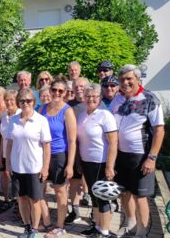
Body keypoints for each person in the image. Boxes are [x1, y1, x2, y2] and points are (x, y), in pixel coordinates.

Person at [110, 64, 165, 237]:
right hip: (120, 155)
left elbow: (159, 130)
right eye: (122, 79)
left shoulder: (149, 98)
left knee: (140, 196)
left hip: (141, 156)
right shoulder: (117, 99)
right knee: (124, 192)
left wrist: (152, 158)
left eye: (129, 79)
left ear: (138, 79)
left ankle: (142, 232)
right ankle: (131, 222)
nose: (125, 82)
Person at [5, 88, 51, 238]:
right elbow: (9, 143)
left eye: (29, 100)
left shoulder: (41, 120)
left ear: (34, 102)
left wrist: (45, 168)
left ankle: (35, 230)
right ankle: (27, 227)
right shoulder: (13, 120)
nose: (25, 103)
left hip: (34, 168)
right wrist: (7, 164)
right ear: (19, 102)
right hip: (17, 167)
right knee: (21, 198)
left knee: (35, 200)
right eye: (22, 101)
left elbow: (46, 146)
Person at [77, 83, 118, 237]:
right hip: (87, 162)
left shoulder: (105, 115)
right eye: (88, 96)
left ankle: (105, 231)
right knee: (94, 196)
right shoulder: (82, 116)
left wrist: (109, 167)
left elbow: (114, 142)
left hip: (101, 162)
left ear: (100, 98)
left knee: (103, 197)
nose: (91, 99)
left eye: (94, 96)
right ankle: (97, 226)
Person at [40, 80, 76, 238]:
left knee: (60, 191)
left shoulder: (67, 111)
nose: (56, 93)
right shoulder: (42, 108)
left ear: (65, 93)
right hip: (41, 154)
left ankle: (60, 226)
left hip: (59, 155)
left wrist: (70, 164)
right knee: (39, 189)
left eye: (61, 91)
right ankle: (47, 222)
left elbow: (72, 140)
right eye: (54, 89)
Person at [65, 76, 91, 223]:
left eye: (82, 86)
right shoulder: (68, 106)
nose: (79, 89)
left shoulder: (97, 104)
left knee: (92, 181)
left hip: (92, 151)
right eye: (76, 86)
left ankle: (96, 213)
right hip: (74, 150)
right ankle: (75, 212)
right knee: (74, 181)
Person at [0, 90, 21, 208]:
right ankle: (13, 203)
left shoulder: (20, 115)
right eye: (6, 100)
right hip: (6, 153)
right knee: (11, 178)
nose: (9, 102)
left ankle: (19, 206)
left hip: (17, 153)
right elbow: (3, 138)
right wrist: (0, 156)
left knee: (17, 180)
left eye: (11, 99)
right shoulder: (4, 116)